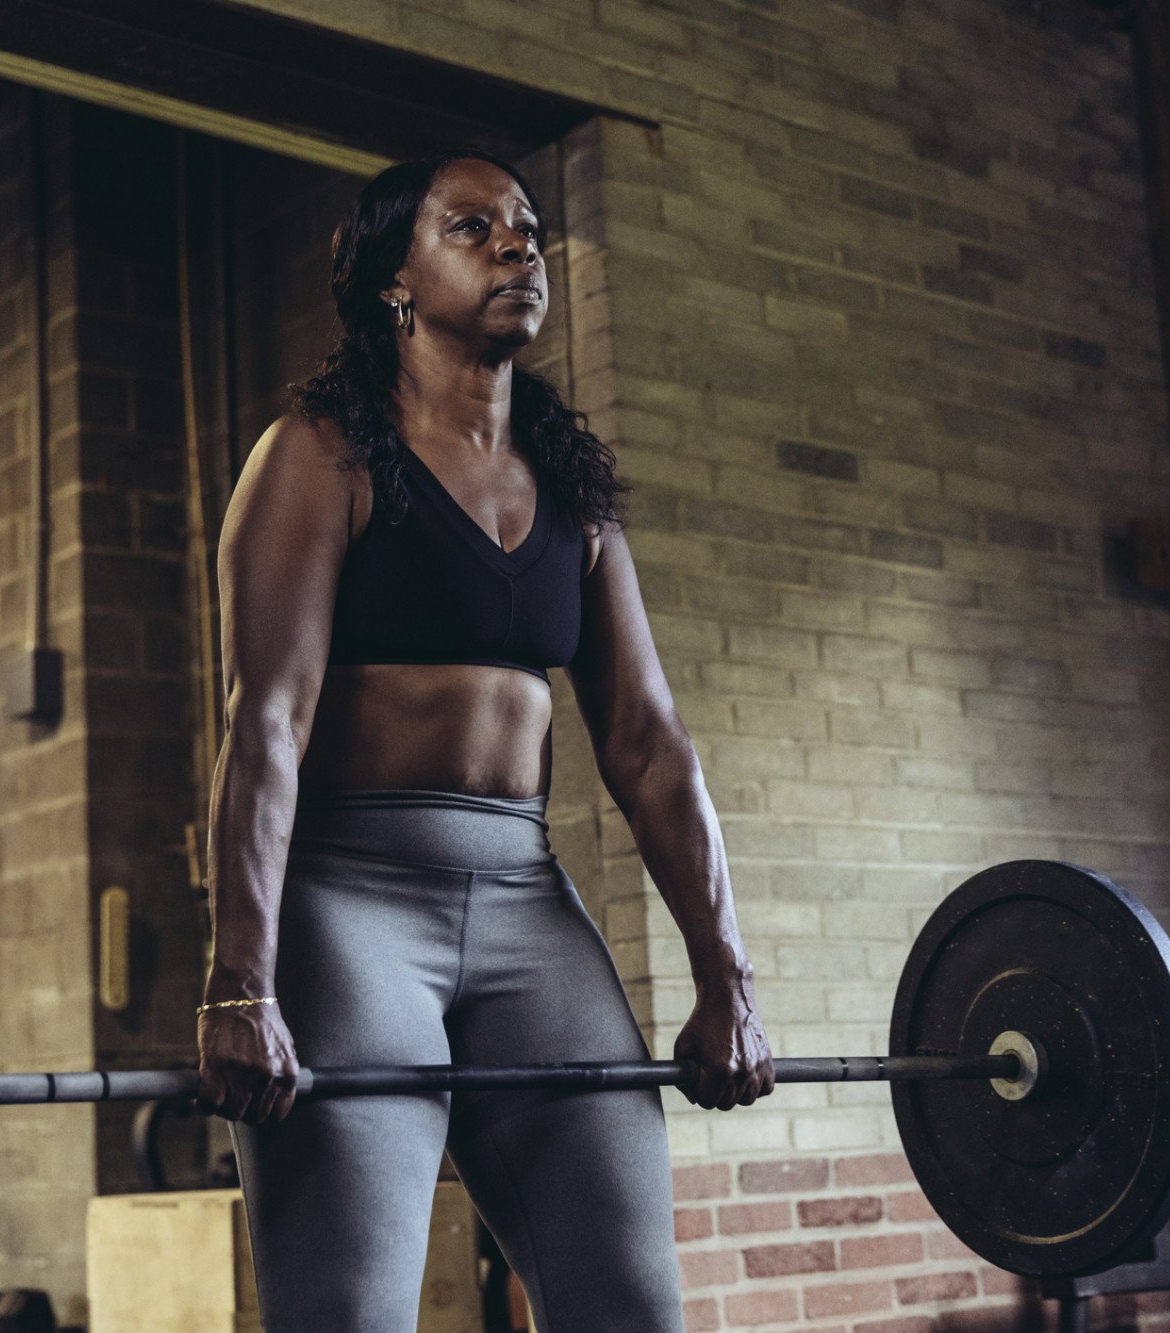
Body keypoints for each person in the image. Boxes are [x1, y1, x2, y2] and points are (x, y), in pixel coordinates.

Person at [195, 147, 775, 1333]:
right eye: (472, 228)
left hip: (523, 900)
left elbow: (649, 746)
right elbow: (264, 726)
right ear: (391, 283)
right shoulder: (318, 455)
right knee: (349, 1315)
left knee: (629, 1306)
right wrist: (239, 982)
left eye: (526, 227)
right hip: (348, 906)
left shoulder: (573, 493)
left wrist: (727, 982)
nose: (519, 246)